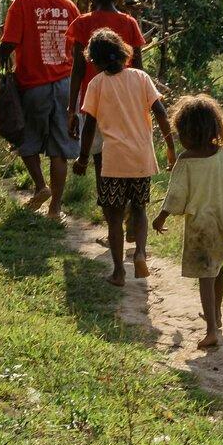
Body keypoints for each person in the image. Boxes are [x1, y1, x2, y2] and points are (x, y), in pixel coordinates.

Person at [75, 31, 175, 287]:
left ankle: (119, 271)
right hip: (141, 158)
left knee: (115, 217)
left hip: (113, 161)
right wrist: (171, 147)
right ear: (122, 52)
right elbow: (162, 114)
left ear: (94, 61)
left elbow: (89, 126)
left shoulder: (96, 84)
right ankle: (140, 252)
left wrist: (83, 158)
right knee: (140, 208)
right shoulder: (141, 77)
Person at [0, 0, 80, 218]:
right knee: (59, 149)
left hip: (33, 85)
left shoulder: (22, 4)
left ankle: (41, 186)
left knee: (24, 138)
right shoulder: (69, 7)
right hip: (64, 84)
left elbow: (9, 44)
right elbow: (77, 49)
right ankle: (55, 209)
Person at [156, 94, 223, 350]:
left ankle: (211, 330)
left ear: (189, 132)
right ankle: (216, 315)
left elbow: (176, 196)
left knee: (205, 276)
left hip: (201, 227)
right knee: (216, 268)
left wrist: (161, 216)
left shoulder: (185, 161)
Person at [67, 0, 148, 171]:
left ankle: (107, 201)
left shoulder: (82, 24)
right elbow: (139, 69)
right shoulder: (129, 23)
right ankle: (124, 199)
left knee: (100, 160)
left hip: (93, 103)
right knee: (124, 156)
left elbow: (77, 69)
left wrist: (71, 109)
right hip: (125, 103)